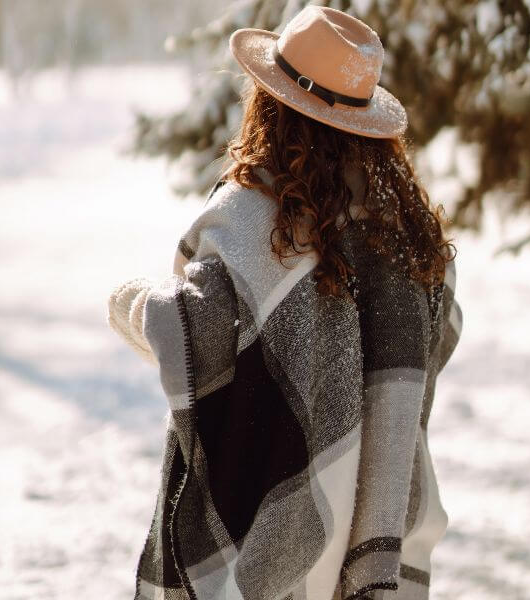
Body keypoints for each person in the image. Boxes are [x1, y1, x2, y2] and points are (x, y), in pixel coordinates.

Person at [107, 6, 463, 600]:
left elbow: (197, 331)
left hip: (269, 536)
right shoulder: (406, 231)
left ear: (270, 103)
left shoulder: (255, 216)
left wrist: (129, 305)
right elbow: (441, 329)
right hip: (380, 523)